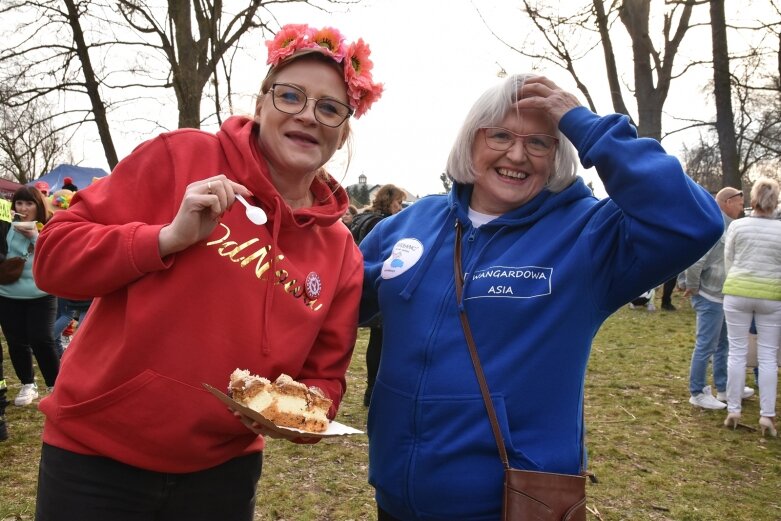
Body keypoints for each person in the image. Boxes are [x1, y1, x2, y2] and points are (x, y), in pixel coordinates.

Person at [32, 23, 382, 521]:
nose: (308, 115)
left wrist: (303, 409)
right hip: (95, 458)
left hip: (224, 473)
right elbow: (53, 260)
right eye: (290, 96)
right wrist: (165, 238)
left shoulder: (341, 249)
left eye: (329, 108)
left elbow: (324, 380)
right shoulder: (182, 157)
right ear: (260, 105)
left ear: (343, 130)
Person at [358, 73, 722, 520]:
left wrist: (584, 124)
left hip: (509, 505)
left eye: (539, 143)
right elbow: (338, 297)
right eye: (501, 135)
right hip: (395, 496)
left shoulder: (588, 234)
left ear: (558, 154)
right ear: (472, 141)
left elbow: (694, 220)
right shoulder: (413, 223)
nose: (516, 154)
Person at [684, 187, 754, 410]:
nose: (742, 207)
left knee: (723, 344)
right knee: (706, 345)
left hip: (723, 296)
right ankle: (697, 392)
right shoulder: (715, 227)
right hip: (709, 296)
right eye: (739, 203)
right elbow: (696, 261)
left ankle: (724, 388)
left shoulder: (731, 227)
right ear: (726, 202)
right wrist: (692, 286)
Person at [722, 177, 781, 437]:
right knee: (768, 357)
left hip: (737, 291)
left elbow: (729, 260)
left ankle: (733, 409)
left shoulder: (738, 226)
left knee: (736, 352)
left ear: (754, 199)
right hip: (771, 295)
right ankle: (766, 415)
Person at [0, 186, 59, 408]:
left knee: (41, 338)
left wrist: (36, 236)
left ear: (38, 206)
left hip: (41, 293)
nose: (23, 208)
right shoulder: (5, 227)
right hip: (7, 294)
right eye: (19, 203)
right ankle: (28, 383)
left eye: (29, 204)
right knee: (16, 342)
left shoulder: (50, 226)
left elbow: (56, 255)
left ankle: (55, 386)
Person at [349, 184, 405, 406]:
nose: (400, 208)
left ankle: (370, 391)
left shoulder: (361, 219)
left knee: (375, 340)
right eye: (398, 202)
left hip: (357, 278)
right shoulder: (383, 224)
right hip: (374, 282)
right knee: (379, 341)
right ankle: (372, 390)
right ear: (388, 200)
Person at [46, 189, 93, 358]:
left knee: (69, 316)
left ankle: (58, 346)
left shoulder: (54, 227)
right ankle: (71, 349)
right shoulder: (83, 227)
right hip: (78, 284)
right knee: (77, 320)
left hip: (69, 284)